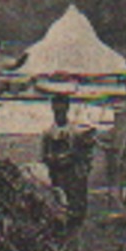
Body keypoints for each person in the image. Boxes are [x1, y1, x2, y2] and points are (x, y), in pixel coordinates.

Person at [41, 95, 96, 233]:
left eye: (61, 110)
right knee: (57, 203)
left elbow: (84, 154)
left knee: (75, 206)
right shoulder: (48, 133)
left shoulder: (75, 132)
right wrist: (51, 159)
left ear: (67, 109)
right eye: (56, 110)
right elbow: (44, 155)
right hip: (55, 173)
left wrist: (78, 162)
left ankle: (74, 229)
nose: (58, 113)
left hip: (72, 174)